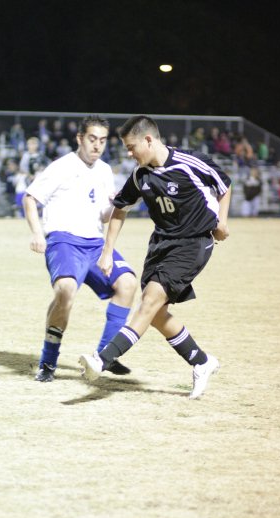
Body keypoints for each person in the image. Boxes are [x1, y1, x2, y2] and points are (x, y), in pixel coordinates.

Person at [79, 115, 231, 400]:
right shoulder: (140, 175)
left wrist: (221, 222)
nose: (129, 153)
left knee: (149, 302)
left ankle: (103, 359)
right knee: (156, 313)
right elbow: (120, 208)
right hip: (161, 245)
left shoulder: (189, 162)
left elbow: (224, 184)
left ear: (149, 140)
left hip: (194, 242)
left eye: (131, 146)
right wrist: (108, 251)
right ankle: (201, 362)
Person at [23, 115, 137, 382]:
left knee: (129, 284)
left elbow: (105, 216)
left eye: (102, 140)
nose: (97, 146)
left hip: (95, 244)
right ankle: (48, 362)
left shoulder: (105, 171)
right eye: (92, 139)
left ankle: (103, 357)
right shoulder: (61, 167)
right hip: (64, 241)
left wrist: (120, 205)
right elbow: (30, 198)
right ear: (80, 139)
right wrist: (37, 234)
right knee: (66, 292)